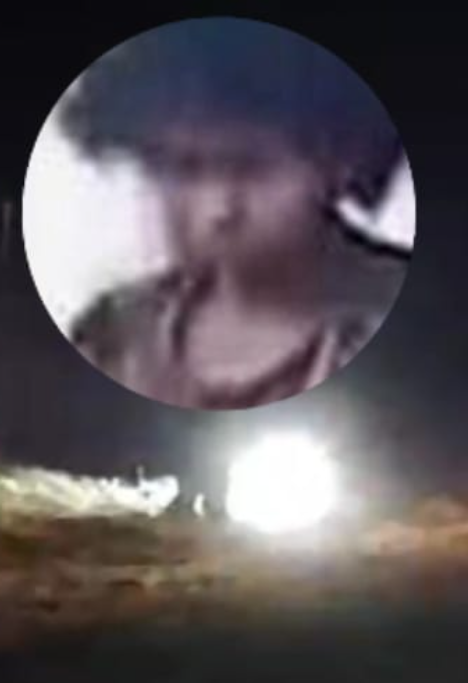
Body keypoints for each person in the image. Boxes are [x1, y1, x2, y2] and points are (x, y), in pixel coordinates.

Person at [60, 18, 409, 409]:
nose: (218, 210)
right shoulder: (116, 336)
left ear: (341, 160)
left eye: (251, 168)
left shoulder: (422, 322)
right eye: (185, 170)